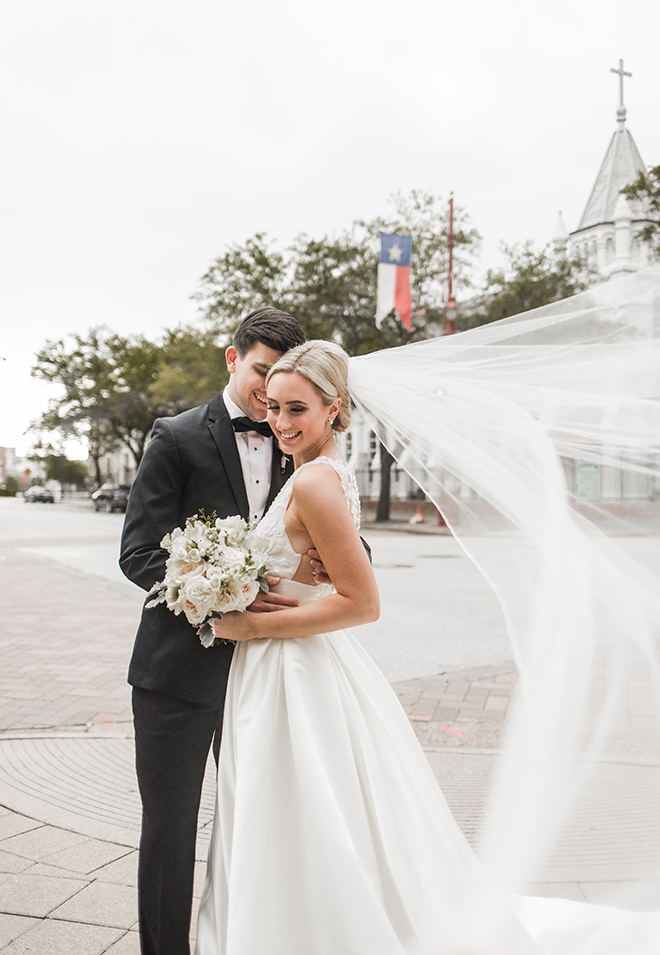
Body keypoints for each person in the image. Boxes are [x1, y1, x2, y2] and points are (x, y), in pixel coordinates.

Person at [193, 340, 541, 955]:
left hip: (292, 670)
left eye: (297, 408)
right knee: (300, 810)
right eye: (273, 407)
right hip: (280, 666)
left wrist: (249, 625)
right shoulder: (314, 472)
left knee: (300, 810)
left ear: (334, 407)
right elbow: (305, 573)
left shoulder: (317, 483)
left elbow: (363, 603)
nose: (280, 422)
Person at [120, 308, 326, 955]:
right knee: (171, 830)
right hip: (177, 674)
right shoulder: (176, 437)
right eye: (263, 372)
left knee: (261, 828)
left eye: (285, 379)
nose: (272, 393)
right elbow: (139, 554)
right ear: (233, 360)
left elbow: (346, 544)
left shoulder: (301, 441)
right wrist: (223, 593)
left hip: (267, 677)